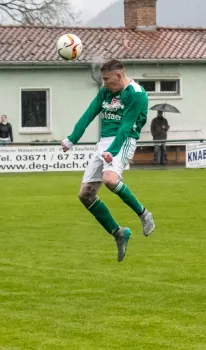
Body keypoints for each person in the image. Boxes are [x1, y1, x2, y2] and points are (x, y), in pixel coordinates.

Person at [61, 59, 155, 262]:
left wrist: (112, 151)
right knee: (85, 195)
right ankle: (118, 232)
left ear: (119, 76)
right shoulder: (105, 92)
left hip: (124, 140)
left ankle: (144, 214)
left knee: (110, 180)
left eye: (106, 79)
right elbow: (89, 114)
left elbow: (126, 126)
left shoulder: (136, 94)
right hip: (104, 143)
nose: (104, 83)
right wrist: (71, 139)